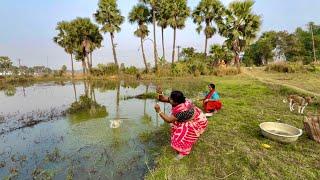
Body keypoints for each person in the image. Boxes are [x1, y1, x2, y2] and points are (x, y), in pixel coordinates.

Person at [154, 87, 208, 160]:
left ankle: (184, 152)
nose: (169, 100)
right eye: (170, 98)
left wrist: (159, 111)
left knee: (182, 137)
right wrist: (160, 93)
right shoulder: (179, 100)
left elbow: (169, 120)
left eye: (171, 99)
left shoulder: (183, 110)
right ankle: (186, 144)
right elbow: (162, 99)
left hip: (197, 121)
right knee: (176, 128)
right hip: (190, 118)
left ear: (175, 102)